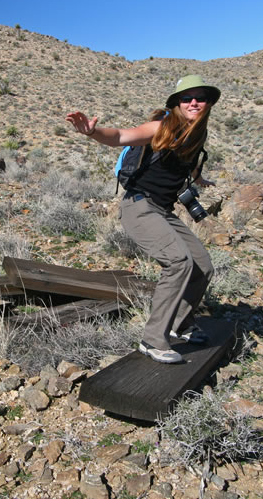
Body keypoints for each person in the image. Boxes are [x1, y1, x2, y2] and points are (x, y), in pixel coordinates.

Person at [66, 75, 220, 364]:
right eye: (187, 98)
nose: (194, 102)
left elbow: (186, 164)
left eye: (200, 97)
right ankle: (153, 340)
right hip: (138, 207)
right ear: (177, 103)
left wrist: (202, 179)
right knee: (178, 261)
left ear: (208, 103)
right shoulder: (162, 127)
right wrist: (92, 132)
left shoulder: (197, 134)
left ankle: (182, 324)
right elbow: (121, 136)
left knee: (202, 266)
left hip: (163, 210)